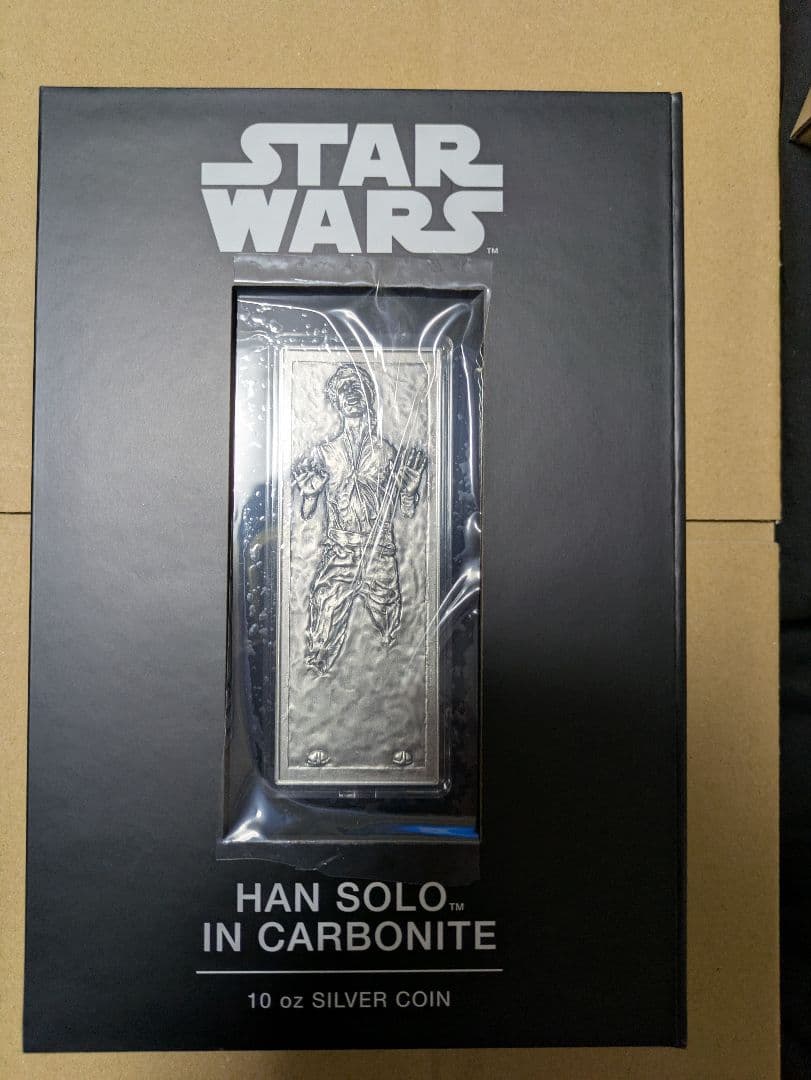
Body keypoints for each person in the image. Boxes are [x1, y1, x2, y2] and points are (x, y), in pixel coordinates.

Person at [292, 363, 427, 674]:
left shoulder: (386, 452)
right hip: (338, 555)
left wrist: (409, 493)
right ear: (336, 400)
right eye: (344, 388)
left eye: (357, 386)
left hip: (379, 555)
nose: (351, 393)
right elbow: (306, 515)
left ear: (369, 395)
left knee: (392, 637)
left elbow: (407, 514)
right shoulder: (323, 453)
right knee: (319, 643)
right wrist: (310, 496)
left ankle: (393, 693)